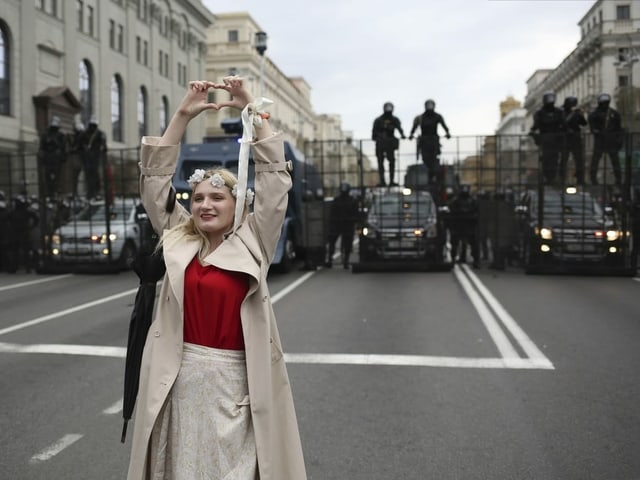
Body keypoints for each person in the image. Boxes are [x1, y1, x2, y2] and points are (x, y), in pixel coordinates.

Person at [126, 77, 307, 480]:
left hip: (237, 389)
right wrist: (182, 115)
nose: (205, 204)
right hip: (178, 383)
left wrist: (254, 113)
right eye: (199, 198)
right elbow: (155, 183)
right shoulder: (178, 236)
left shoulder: (255, 239)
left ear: (237, 203)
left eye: (217, 197)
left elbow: (275, 182)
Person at [409, 99, 451, 185]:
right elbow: (414, 127)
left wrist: (447, 133)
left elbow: (444, 125)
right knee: (425, 159)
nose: (429, 107)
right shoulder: (420, 117)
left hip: (434, 141)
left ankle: (433, 177)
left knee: (434, 159)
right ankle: (430, 176)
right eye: (428, 105)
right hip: (424, 141)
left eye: (431, 105)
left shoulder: (437, 116)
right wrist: (411, 134)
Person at [588, 93, 624, 186]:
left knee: (615, 160)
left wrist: (619, 140)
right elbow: (592, 125)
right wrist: (595, 131)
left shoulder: (614, 114)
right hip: (600, 140)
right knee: (595, 160)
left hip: (611, 140)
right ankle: (593, 179)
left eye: (606, 103)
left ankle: (618, 179)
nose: (605, 105)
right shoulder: (594, 114)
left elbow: (618, 128)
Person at [529, 91, 564, 185]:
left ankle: (553, 177)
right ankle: (547, 177)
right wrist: (533, 132)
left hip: (556, 139)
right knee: (546, 159)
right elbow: (535, 126)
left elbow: (563, 124)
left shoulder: (559, 112)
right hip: (545, 139)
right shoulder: (539, 113)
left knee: (555, 159)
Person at [326, 182, 359, 269]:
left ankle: (336, 260)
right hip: (342, 224)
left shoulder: (343, 200)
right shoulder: (348, 200)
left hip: (343, 224)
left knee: (339, 243)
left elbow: (355, 214)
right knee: (336, 242)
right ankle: (340, 260)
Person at [371, 101, 405, 186]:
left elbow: (400, 129)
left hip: (390, 144)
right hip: (380, 144)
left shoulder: (394, 119)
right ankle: (382, 181)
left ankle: (391, 181)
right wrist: (380, 136)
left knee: (392, 162)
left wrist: (402, 135)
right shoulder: (378, 120)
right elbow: (373, 135)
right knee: (380, 163)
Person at [447, 184, 479, 268]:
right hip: (461, 225)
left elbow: (476, 211)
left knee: (472, 244)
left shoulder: (470, 200)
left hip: (465, 225)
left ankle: (474, 260)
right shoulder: (457, 201)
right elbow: (451, 210)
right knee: (456, 243)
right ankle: (458, 259)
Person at [560, 96, 587, 186]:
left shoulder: (576, 113)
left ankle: (580, 178)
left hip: (576, 139)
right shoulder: (562, 112)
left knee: (579, 159)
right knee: (564, 159)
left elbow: (584, 123)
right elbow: (563, 123)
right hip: (565, 139)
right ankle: (561, 178)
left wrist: (581, 115)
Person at [38, 116, 67, 198]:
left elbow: (63, 147)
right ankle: (50, 192)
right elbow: (41, 146)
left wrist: (56, 143)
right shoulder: (45, 134)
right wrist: (42, 154)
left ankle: (55, 191)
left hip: (56, 158)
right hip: (47, 157)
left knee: (56, 175)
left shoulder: (61, 135)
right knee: (47, 175)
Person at [84, 115, 107, 199]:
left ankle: (96, 191)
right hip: (88, 157)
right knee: (89, 174)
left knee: (95, 174)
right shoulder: (85, 133)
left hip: (96, 157)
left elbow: (104, 146)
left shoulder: (100, 134)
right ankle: (90, 192)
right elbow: (82, 143)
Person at [67, 120, 87, 197]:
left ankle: (75, 192)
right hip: (80, 157)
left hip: (80, 157)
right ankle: (75, 192)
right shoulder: (79, 136)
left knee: (75, 175)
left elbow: (76, 147)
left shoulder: (80, 136)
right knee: (75, 175)